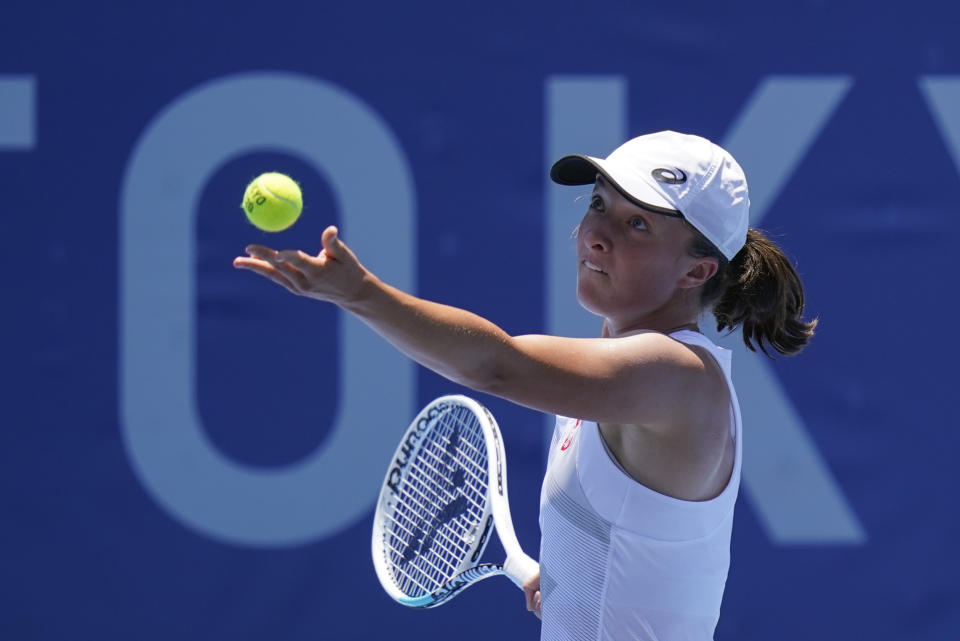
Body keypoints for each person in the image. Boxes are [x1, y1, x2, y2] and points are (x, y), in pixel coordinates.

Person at [233, 130, 816, 640]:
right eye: (598, 205)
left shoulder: (676, 376)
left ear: (697, 271)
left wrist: (360, 293)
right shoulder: (624, 376)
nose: (595, 234)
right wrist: (575, 592)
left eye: (637, 223)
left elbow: (497, 366)